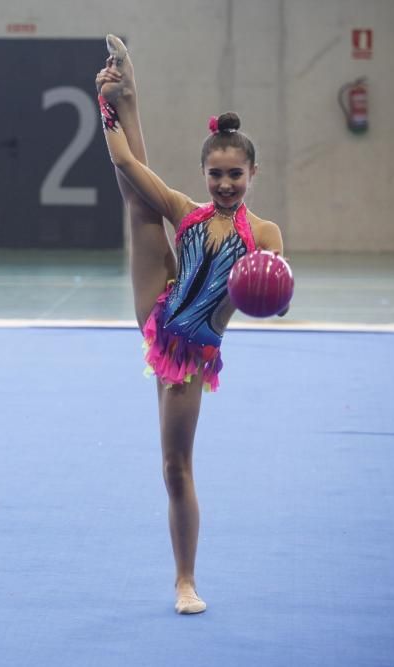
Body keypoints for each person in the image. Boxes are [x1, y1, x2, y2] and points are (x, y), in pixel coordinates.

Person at [95, 35, 285, 614]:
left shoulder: (266, 235)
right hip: (161, 304)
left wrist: (268, 296)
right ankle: (128, 91)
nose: (225, 184)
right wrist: (103, 103)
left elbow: (275, 296)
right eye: (216, 174)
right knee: (138, 201)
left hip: (194, 347)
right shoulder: (188, 212)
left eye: (235, 175)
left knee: (176, 467)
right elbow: (125, 162)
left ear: (253, 172)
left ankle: (185, 581)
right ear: (205, 173)